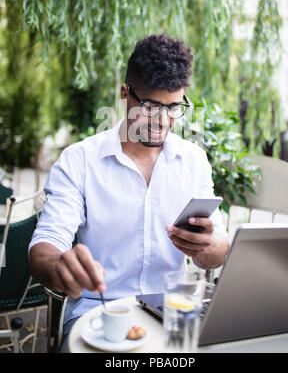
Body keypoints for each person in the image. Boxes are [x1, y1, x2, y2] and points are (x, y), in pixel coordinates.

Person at [29, 33, 229, 351]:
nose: (162, 121)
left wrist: (205, 246)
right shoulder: (79, 160)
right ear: (125, 94)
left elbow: (218, 249)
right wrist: (59, 268)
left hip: (174, 313)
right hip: (98, 311)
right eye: (150, 106)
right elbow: (44, 250)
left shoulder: (193, 160)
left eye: (174, 107)